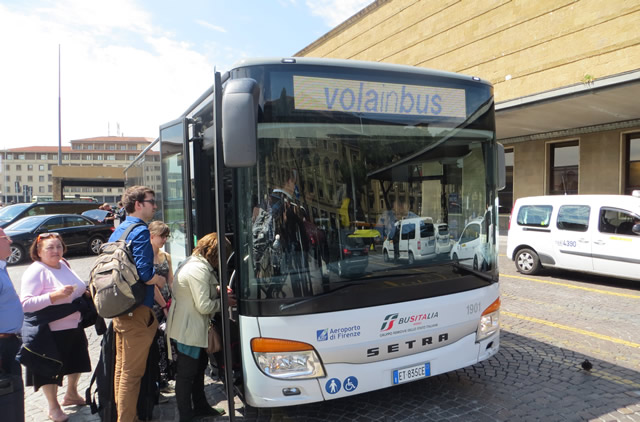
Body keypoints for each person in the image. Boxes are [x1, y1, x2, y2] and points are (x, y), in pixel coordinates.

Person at [20, 233, 91, 422]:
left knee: (76, 362)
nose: (56, 251)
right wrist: (53, 296)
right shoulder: (36, 270)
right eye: (50, 248)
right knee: (48, 369)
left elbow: (78, 287)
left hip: (74, 326)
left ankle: (72, 394)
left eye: (59, 246)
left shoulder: (64, 263)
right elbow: (26, 304)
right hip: (49, 331)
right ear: (38, 251)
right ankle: (53, 406)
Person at [110, 186, 166, 422]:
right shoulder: (140, 230)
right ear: (138, 204)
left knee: (122, 370)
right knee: (131, 374)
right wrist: (160, 279)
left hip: (120, 308)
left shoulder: (120, 229)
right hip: (136, 310)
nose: (155, 206)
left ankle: (126, 416)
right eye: (152, 201)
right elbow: (145, 274)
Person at [166, 233, 234, 422]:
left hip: (192, 327)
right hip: (190, 329)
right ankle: (186, 416)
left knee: (197, 369)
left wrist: (218, 290)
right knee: (187, 374)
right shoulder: (199, 269)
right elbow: (204, 305)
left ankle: (200, 407)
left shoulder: (195, 263)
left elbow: (198, 292)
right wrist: (225, 302)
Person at [0, 228, 25, 422]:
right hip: (2, 344)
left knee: (12, 395)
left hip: (10, 341)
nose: (10, 241)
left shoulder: (3, 267)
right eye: (5, 238)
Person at [149, 221, 176, 389]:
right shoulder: (144, 257)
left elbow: (171, 281)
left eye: (167, 236)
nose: (165, 239)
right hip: (152, 306)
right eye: (162, 236)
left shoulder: (166, 256)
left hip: (166, 303)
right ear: (152, 236)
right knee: (155, 342)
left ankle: (164, 378)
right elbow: (151, 286)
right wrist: (165, 307)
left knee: (165, 341)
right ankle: (157, 380)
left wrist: (173, 302)